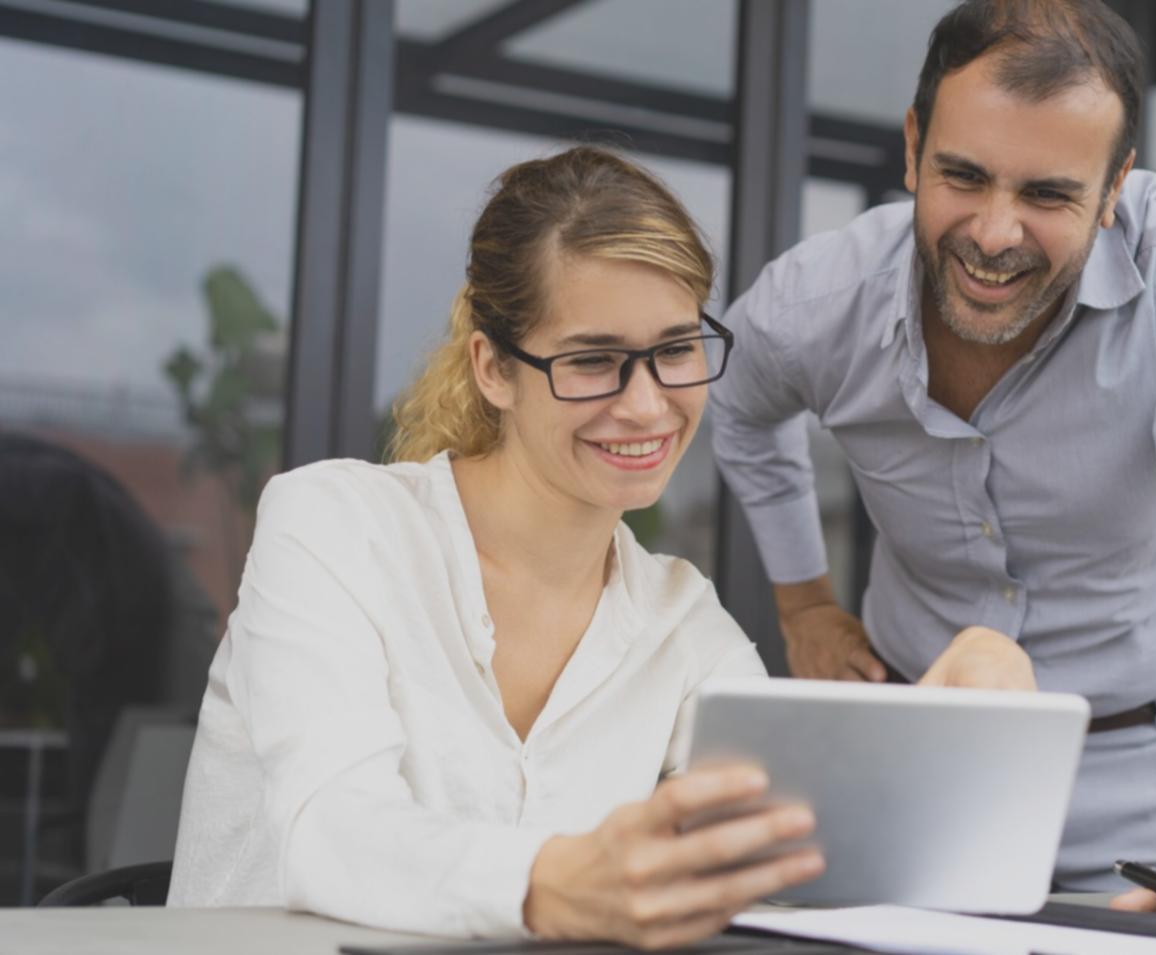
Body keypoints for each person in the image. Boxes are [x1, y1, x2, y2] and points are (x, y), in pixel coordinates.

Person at [709, 0, 1156, 927]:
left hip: (1151, 790)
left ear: (1114, 187)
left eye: (1046, 195)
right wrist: (804, 606)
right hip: (918, 771)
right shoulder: (814, 301)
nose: (994, 234)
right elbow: (738, 413)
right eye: (962, 175)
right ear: (912, 148)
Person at [168, 147, 824, 947]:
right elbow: (333, 831)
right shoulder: (334, 526)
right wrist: (553, 881)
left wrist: (932, 731)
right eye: (593, 359)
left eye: (676, 349)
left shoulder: (683, 622)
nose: (648, 404)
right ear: (493, 369)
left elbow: (790, 856)